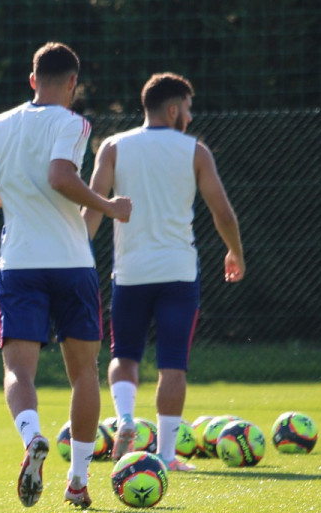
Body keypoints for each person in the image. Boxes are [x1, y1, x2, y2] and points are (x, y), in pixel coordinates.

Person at [0, 42, 132, 509]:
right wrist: (108, 206)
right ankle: (77, 480)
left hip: (19, 265)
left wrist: (13, 195)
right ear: (72, 83)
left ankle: (32, 435)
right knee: (83, 375)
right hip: (71, 264)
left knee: (18, 370)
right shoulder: (73, 122)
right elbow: (60, 176)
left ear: (32, 79)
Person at [83, 72, 245, 471]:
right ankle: (169, 456)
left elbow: (92, 209)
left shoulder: (114, 146)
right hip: (178, 273)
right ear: (173, 109)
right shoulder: (195, 152)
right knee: (173, 362)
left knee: (124, 354)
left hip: (130, 272)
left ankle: (124, 422)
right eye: (187, 109)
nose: (189, 117)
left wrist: (78, 255)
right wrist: (234, 252)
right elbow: (222, 213)